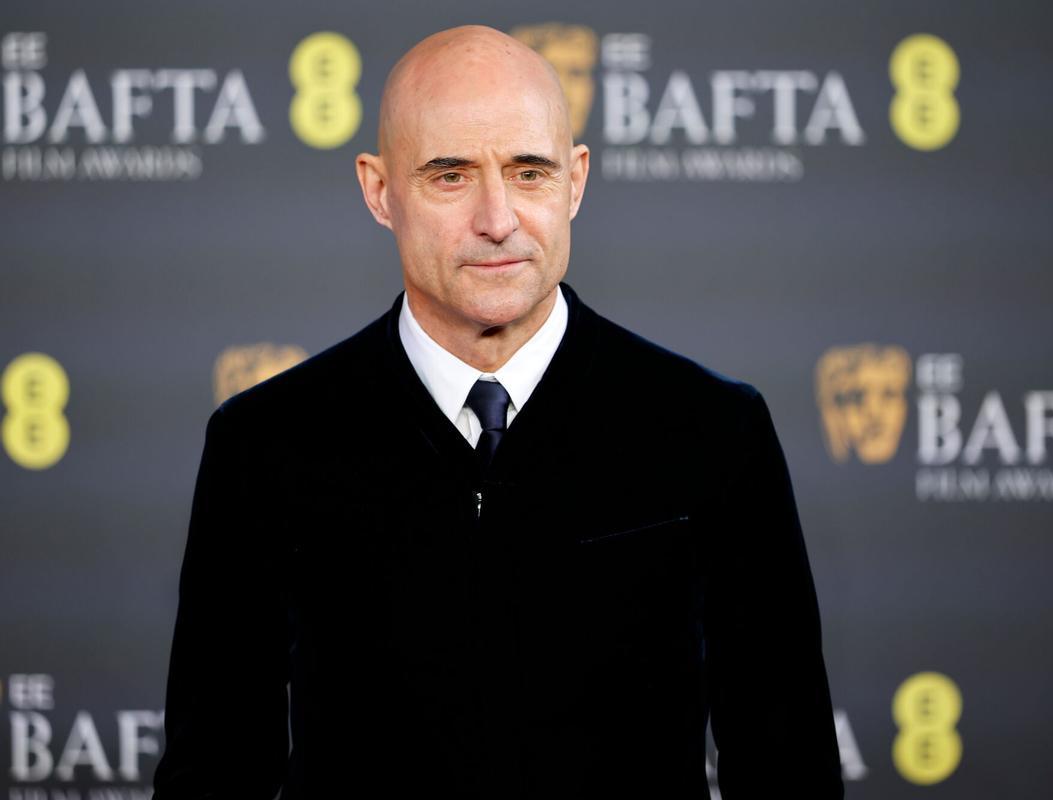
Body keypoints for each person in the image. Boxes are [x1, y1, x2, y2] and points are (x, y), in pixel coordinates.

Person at [152, 24, 842, 799]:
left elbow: (789, 770)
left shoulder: (713, 433)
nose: (498, 218)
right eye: (450, 176)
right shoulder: (266, 446)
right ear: (379, 191)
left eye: (529, 172)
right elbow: (210, 774)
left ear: (576, 182)